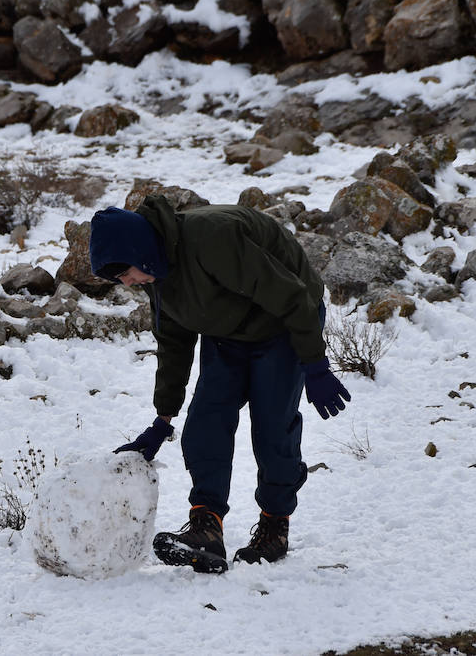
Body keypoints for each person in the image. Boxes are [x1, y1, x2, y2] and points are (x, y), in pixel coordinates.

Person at [88, 194, 350, 574]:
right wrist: (163, 418)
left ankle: (275, 526)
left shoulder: (212, 240)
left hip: (284, 321)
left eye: (125, 273)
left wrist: (315, 363)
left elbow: (292, 296)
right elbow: (174, 343)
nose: (128, 283)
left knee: (273, 426)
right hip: (228, 330)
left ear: (139, 250)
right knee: (206, 421)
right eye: (120, 279)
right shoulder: (155, 271)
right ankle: (205, 528)